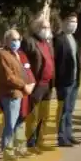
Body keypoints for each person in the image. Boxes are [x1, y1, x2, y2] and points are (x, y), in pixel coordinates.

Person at [0, 29, 34, 161]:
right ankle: (7, 151)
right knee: (10, 124)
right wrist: (24, 85)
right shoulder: (3, 55)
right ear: (6, 41)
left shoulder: (20, 54)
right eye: (13, 39)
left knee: (20, 122)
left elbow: (28, 70)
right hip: (11, 93)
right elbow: (9, 77)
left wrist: (31, 84)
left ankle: (20, 148)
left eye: (18, 39)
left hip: (23, 93)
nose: (16, 42)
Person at [22, 19, 55, 153]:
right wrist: (28, 81)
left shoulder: (48, 43)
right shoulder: (29, 42)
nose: (47, 29)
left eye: (48, 27)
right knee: (33, 115)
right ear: (36, 28)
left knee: (44, 115)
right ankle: (31, 143)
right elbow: (24, 63)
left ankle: (40, 141)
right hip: (36, 84)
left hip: (48, 84)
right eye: (44, 27)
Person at [53, 12, 81, 147]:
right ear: (64, 22)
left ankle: (69, 134)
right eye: (71, 21)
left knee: (70, 109)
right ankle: (61, 136)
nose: (74, 24)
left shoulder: (73, 38)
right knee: (63, 110)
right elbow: (56, 62)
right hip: (64, 81)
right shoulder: (58, 40)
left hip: (74, 79)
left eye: (75, 21)